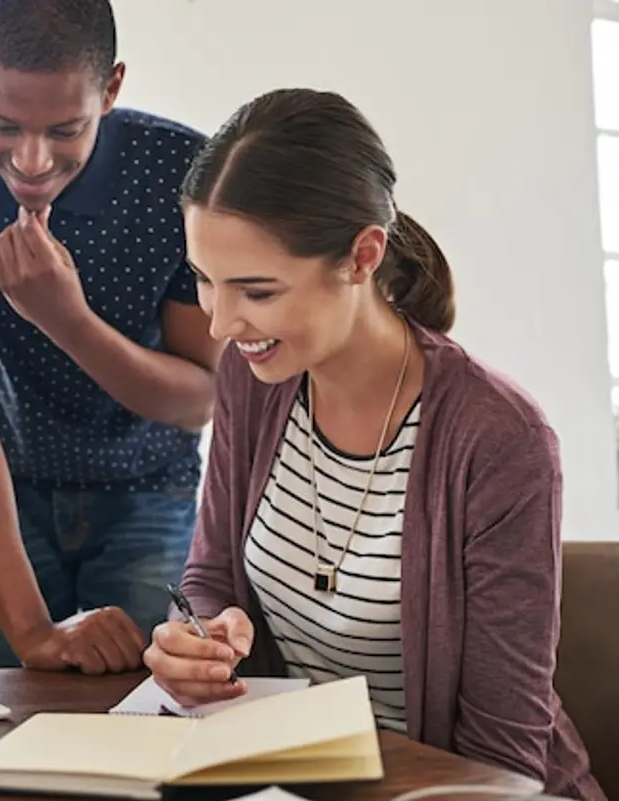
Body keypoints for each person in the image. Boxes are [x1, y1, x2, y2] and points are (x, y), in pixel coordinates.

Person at [141, 88, 602, 799]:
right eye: (205, 280)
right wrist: (197, 637)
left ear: (362, 256)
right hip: (297, 779)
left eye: (257, 292)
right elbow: (212, 575)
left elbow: (503, 758)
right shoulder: (253, 378)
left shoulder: (499, 440)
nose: (221, 324)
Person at [0, 0, 222, 673]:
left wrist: (66, 320)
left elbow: (201, 400)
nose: (32, 160)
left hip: (147, 489)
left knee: (140, 716)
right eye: (3, 125)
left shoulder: (181, 171)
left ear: (112, 88)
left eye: (66, 130)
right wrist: (33, 632)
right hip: (6, 490)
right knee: (12, 713)